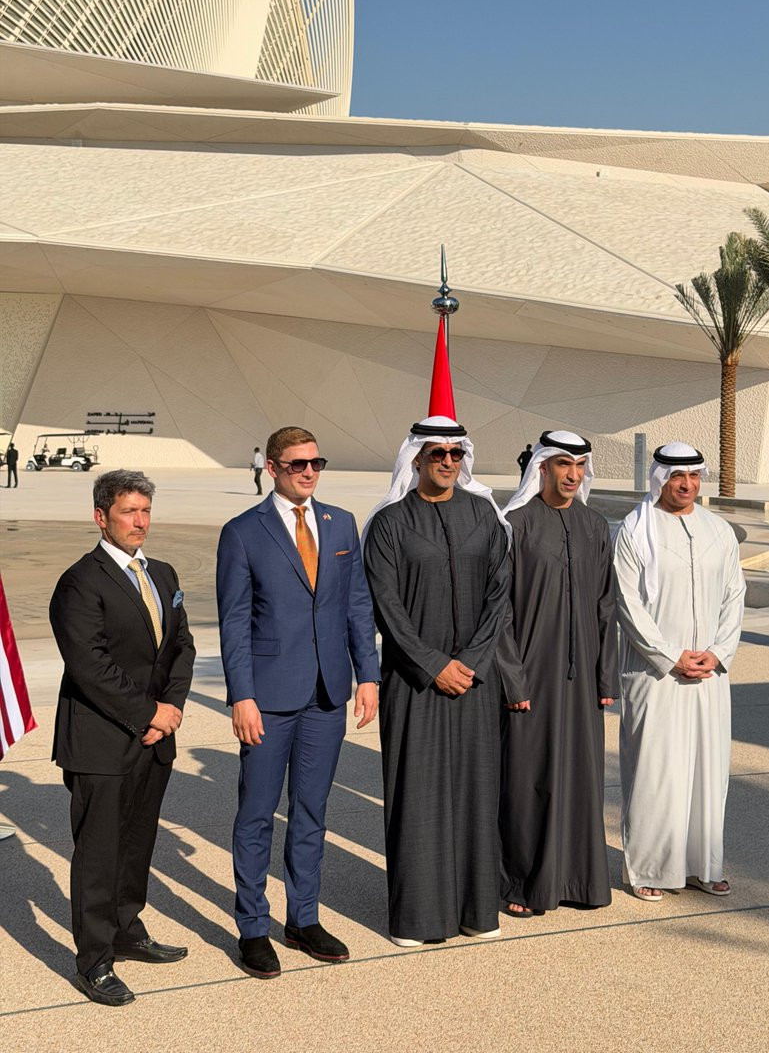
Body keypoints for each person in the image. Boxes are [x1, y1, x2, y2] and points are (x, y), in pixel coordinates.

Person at [217, 426, 379, 979]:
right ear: (272, 468)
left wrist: (368, 675)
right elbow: (234, 622)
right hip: (268, 696)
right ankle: (252, 927)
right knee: (257, 814)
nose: (309, 472)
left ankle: (303, 919)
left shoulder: (341, 523)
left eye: (316, 463)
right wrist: (241, 695)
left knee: (311, 812)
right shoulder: (243, 532)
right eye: (297, 464)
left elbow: (357, 605)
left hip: (327, 694)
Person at [49, 470, 196, 1005]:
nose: (140, 522)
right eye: (129, 511)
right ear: (101, 517)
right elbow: (91, 666)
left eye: (145, 511)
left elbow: (182, 646)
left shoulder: (162, 572)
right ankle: (94, 961)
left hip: (155, 738)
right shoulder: (79, 582)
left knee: (136, 844)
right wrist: (149, 712)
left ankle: (127, 930)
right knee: (99, 853)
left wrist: (170, 711)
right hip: (101, 741)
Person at [363, 416, 510, 947]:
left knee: (476, 793)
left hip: (474, 679)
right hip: (413, 683)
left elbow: (500, 595)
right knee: (417, 795)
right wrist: (432, 665)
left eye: (455, 453)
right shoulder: (390, 523)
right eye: (437, 453)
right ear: (417, 459)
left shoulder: (483, 515)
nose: (447, 461)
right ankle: (419, 918)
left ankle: (477, 911)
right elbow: (386, 606)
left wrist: (470, 660)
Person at [614, 443, 745, 902]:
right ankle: (649, 869)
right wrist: (670, 656)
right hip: (655, 675)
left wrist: (718, 651)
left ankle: (703, 866)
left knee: (708, 771)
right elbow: (627, 603)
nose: (686, 485)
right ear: (660, 479)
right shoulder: (635, 530)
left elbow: (734, 595)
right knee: (656, 772)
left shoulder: (718, 530)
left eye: (692, 476)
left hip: (709, 674)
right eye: (676, 476)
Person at [498, 431, 618, 917]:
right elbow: (500, 613)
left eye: (580, 465)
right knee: (528, 780)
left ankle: (579, 881)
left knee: (581, 779)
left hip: (583, 679)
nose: (573, 474)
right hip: (531, 676)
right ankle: (523, 884)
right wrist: (513, 678)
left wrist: (606, 677)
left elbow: (607, 605)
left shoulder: (594, 525)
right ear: (542, 467)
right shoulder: (516, 524)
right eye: (564, 464)